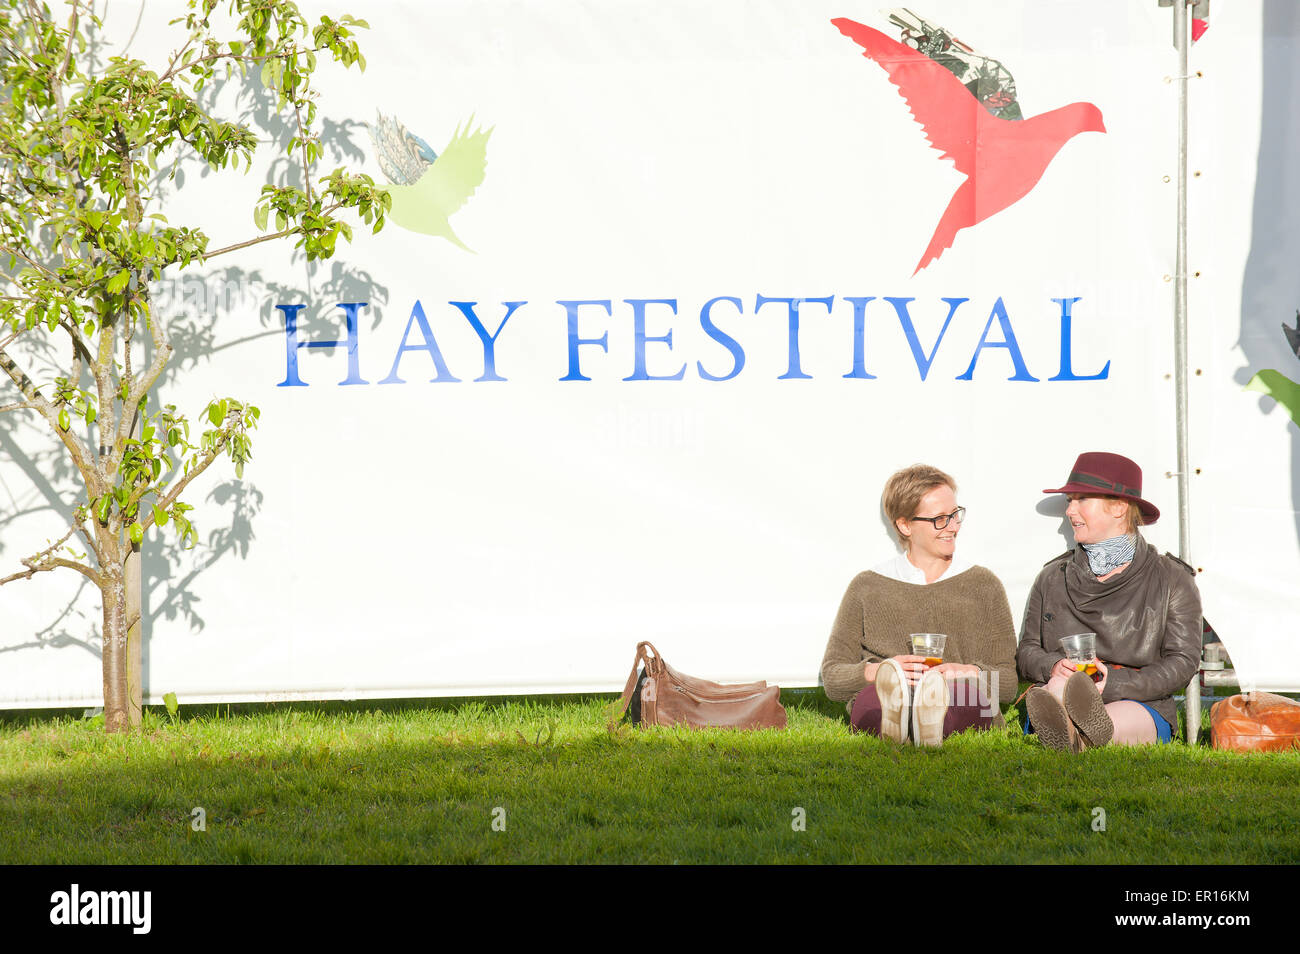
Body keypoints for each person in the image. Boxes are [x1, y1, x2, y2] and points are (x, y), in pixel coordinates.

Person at [820, 464, 1018, 746]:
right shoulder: (867, 586)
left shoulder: (983, 584)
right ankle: (902, 722)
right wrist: (883, 671)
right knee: (873, 699)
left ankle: (928, 725)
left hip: (958, 694)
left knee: (968, 698)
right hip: (891, 693)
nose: (953, 527)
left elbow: (1007, 684)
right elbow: (833, 678)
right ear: (904, 525)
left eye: (955, 515)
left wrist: (963, 671)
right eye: (939, 519)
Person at [1017, 452, 1202, 751]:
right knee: (1063, 690)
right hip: (1062, 688)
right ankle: (1071, 729)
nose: (1069, 511)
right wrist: (1054, 667)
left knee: (1105, 721)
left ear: (1118, 507)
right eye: (1069, 500)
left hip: (1138, 701)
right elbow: (1026, 652)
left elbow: (1183, 661)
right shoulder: (1052, 577)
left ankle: (1071, 734)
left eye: (1081, 500)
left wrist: (1112, 683)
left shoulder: (1172, 579)